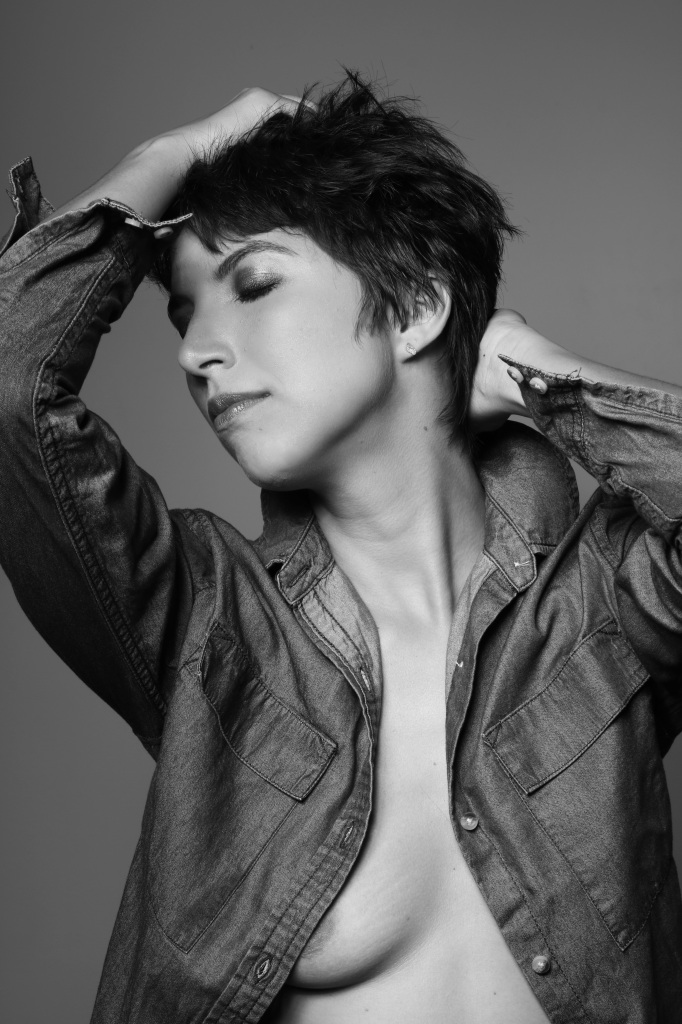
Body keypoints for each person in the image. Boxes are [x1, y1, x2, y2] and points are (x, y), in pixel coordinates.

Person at [0, 73, 680, 1024]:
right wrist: (178, 153)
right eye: (186, 316)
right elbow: (12, 379)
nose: (197, 352)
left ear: (415, 307)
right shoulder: (207, 623)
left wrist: (540, 376)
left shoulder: (602, 605)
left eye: (255, 285)